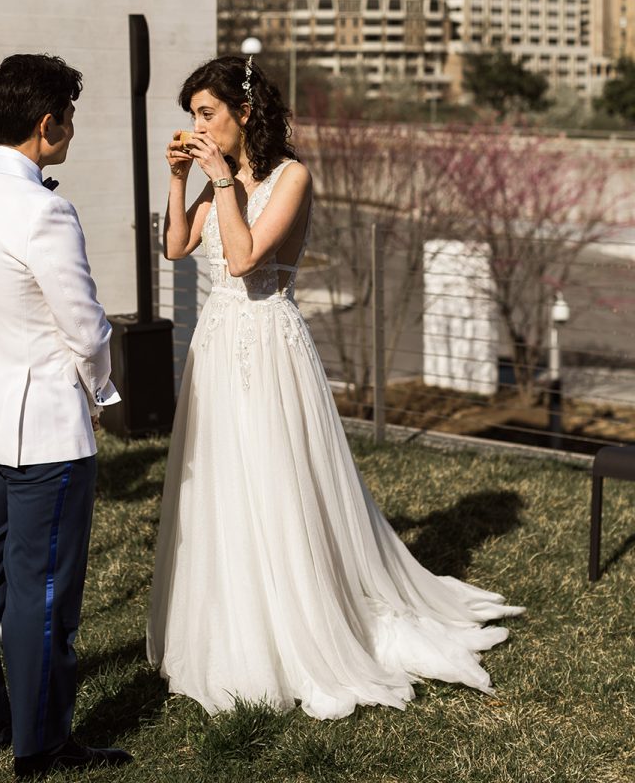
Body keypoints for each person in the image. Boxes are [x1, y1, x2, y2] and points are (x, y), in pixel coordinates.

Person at [147, 55, 523, 719]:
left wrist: (221, 183)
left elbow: (242, 259)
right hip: (215, 347)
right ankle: (233, 620)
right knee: (224, 482)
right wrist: (179, 182)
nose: (197, 126)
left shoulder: (292, 176)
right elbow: (176, 248)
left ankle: (303, 623)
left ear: (245, 113)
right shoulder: (215, 181)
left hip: (268, 345)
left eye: (206, 113)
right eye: (192, 117)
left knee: (276, 479)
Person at [0, 54, 132, 778]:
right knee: (42, 592)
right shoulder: (43, 208)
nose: (74, 131)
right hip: (45, 426)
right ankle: (42, 743)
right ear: (47, 125)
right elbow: (86, 330)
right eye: (71, 119)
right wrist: (104, 394)